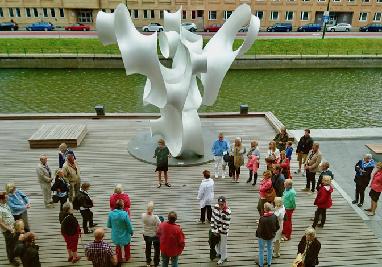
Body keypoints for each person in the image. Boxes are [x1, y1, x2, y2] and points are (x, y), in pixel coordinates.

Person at [256, 202, 279, 267]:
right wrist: (273, 232)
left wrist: (257, 233)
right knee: (270, 249)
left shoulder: (262, 218)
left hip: (262, 237)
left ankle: (261, 264)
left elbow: (259, 230)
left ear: (265, 209)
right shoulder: (274, 216)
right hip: (271, 236)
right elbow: (277, 227)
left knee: (261, 250)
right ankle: (269, 263)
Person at [210, 196, 231, 265]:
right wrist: (214, 230)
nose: (220, 206)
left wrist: (218, 232)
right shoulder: (215, 207)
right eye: (219, 204)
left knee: (223, 245)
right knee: (216, 243)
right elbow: (212, 218)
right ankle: (218, 253)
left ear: (225, 203)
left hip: (223, 232)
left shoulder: (228, 211)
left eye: (222, 204)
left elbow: (225, 225)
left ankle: (223, 258)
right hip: (216, 230)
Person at [0, 192, 19, 266]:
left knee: (14, 243)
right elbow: (0, 222)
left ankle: (15, 254)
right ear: (1, 200)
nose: (6, 199)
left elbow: (6, 194)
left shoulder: (4, 204)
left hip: (13, 227)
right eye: (5, 198)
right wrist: (9, 229)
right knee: (10, 246)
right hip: (7, 230)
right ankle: (11, 260)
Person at [142, 201, 161, 267]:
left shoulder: (143, 215)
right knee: (157, 249)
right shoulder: (155, 217)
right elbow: (160, 224)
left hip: (146, 234)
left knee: (148, 248)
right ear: (153, 209)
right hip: (155, 235)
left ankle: (148, 261)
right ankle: (156, 262)